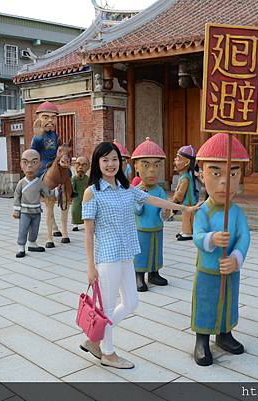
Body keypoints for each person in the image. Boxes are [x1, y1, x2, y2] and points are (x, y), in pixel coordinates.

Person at [80, 141, 198, 369]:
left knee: (131, 303)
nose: (111, 164)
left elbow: (153, 200)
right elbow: (88, 232)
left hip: (126, 254)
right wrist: (90, 266)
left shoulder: (126, 189)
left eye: (114, 159)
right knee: (106, 307)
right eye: (105, 160)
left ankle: (94, 339)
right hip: (107, 257)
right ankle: (108, 352)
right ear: (97, 163)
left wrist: (184, 208)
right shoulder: (91, 193)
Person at [191, 134, 251, 366]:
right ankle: (202, 338)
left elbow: (244, 237)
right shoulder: (203, 211)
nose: (225, 182)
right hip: (208, 269)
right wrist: (211, 238)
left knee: (228, 301)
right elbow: (197, 236)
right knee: (206, 303)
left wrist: (237, 257)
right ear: (201, 174)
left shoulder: (236, 213)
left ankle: (224, 333)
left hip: (230, 270)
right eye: (216, 173)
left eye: (233, 174)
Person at [131, 137, 171, 292]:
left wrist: (165, 213)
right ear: (136, 166)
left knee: (156, 251)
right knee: (142, 252)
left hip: (157, 227)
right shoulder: (136, 190)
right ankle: (139, 275)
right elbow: (136, 211)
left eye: (156, 165)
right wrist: (140, 200)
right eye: (146, 165)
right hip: (141, 229)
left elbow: (163, 211)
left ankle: (154, 273)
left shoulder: (160, 191)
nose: (152, 170)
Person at [12, 149, 51, 258]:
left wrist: (57, 191)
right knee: (23, 229)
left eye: (34, 162)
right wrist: (16, 209)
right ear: (21, 165)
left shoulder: (40, 182)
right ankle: (21, 246)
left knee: (35, 229)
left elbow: (48, 193)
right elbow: (17, 196)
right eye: (25, 162)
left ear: (39, 165)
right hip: (24, 211)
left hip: (36, 210)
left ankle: (32, 243)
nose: (29, 166)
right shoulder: (21, 183)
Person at [172, 145, 199, 241]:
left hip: (187, 201)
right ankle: (187, 231)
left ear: (186, 162)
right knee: (189, 217)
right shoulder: (186, 176)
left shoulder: (185, 178)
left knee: (186, 217)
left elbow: (180, 194)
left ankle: (187, 233)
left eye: (178, 158)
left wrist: (175, 200)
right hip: (190, 201)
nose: (175, 160)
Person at [31, 101, 61, 178]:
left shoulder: (55, 135)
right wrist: (38, 137)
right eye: (45, 117)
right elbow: (33, 151)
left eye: (53, 117)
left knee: (68, 173)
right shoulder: (38, 136)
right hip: (43, 164)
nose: (50, 120)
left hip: (55, 162)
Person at [71, 156, 90, 232]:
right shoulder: (74, 178)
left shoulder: (87, 178)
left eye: (84, 165)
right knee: (75, 210)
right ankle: (75, 224)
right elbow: (72, 187)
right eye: (78, 164)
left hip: (85, 196)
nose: (80, 167)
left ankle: (85, 223)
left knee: (85, 210)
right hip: (77, 196)